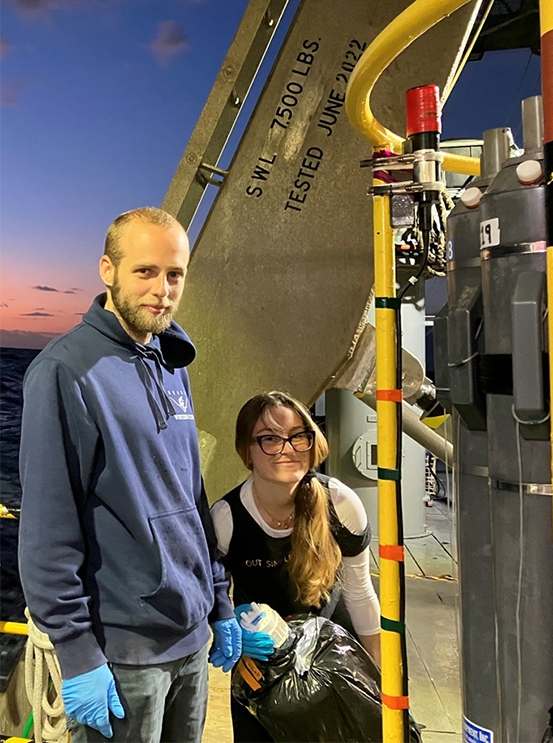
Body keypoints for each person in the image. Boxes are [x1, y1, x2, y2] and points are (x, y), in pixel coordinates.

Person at [18, 207, 242, 742]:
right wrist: (76, 652)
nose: (162, 289)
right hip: (121, 657)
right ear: (107, 270)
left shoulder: (171, 362)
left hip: (189, 641)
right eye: (145, 271)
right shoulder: (65, 371)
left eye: (174, 274)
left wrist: (219, 600)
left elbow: (190, 496)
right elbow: (48, 530)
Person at [211, 390, 381, 742]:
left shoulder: (341, 504)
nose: (287, 448)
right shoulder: (227, 518)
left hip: (333, 662)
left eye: (297, 436)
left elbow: (360, 593)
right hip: (261, 666)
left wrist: (378, 675)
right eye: (270, 438)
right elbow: (212, 594)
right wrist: (230, 628)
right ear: (247, 451)